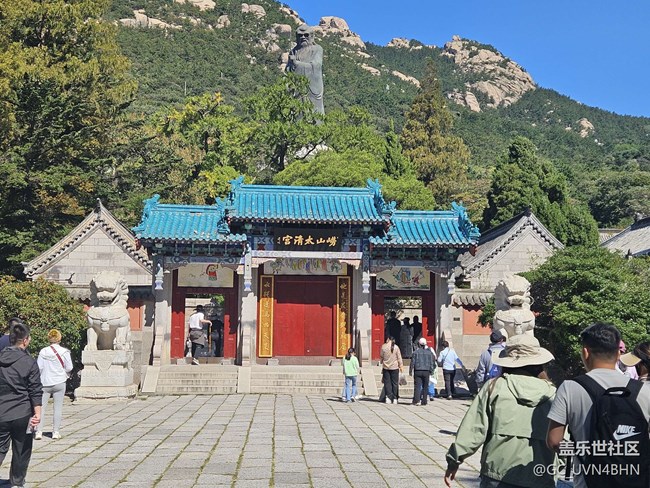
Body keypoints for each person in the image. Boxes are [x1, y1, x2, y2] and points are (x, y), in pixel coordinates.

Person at [444, 334, 558, 488]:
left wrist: (454, 460)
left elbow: (473, 430)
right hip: (540, 474)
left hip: (497, 472)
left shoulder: (494, 387)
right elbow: (562, 439)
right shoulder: (553, 394)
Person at [547, 323, 650, 488]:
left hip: (588, 482)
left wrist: (582, 451)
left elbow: (554, 441)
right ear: (618, 354)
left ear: (585, 352)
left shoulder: (569, 388)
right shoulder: (644, 390)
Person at [0, 322, 43, 488]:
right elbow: (35, 390)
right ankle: (17, 482)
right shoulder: (29, 362)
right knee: (22, 449)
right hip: (22, 412)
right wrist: (37, 413)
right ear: (25, 340)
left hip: (1, 411)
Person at [35, 329, 73, 440]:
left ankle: (39, 431)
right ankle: (55, 432)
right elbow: (69, 367)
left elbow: (39, 367)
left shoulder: (43, 351)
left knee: (41, 408)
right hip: (59, 381)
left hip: (45, 382)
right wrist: (63, 372)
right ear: (59, 339)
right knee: (58, 408)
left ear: (49, 338)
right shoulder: (64, 352)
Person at [286, 24, 324, 114]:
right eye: (300, 35)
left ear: (312, 36)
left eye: (306, 35)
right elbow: (287, 72)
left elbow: (316, 66)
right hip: (297, 88)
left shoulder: (317, 49)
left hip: (312, 88)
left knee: (314, 113)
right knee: (297, 113)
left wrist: (296, 63)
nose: (303, 37)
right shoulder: (294, 51)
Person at [410, 337, 435, 406]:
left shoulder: (415, 352)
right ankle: (424, 401)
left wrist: (410, 370)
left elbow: (412, 362)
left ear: (419, 344)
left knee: (417, 386)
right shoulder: (429, 353)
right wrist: (432, 371)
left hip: (418, 370)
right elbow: (431, 363)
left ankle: (417, 400)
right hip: (426, 371)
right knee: (425, 386)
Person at [380, 336, 403, 404]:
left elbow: (381, 356)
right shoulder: (396, 347)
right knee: (395, 383)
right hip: (395, 367)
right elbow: (399, 357)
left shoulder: (384, 347)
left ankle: (388, 397)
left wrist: (381, 361)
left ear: (388, 339)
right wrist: (401, 366)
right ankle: (395, 398)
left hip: (386, 367)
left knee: (387, 383)